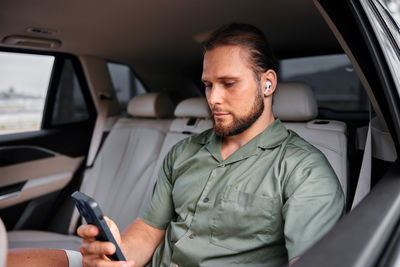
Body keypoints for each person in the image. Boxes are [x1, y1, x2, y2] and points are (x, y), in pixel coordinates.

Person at [7, 23, 344, 267]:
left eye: (228, 84)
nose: (213, 98)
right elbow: (148, 231)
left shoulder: (305, 168)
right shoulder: (184, 151)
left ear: (267, 83)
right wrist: (116, 252)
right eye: (208, 85)